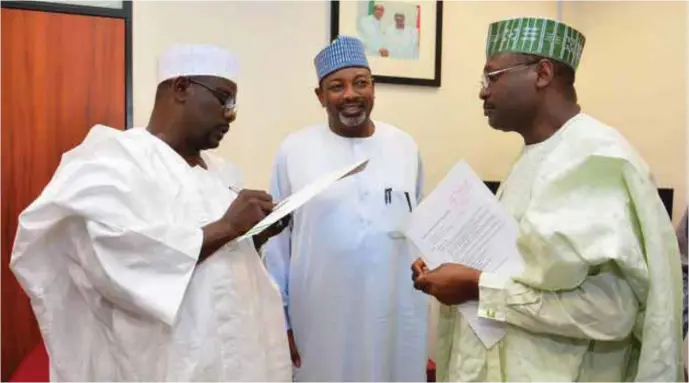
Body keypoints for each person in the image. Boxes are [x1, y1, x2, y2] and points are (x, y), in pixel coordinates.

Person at [411, 17, 684, 381]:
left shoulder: (592, 158)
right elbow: (527, 270)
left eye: (492, 77)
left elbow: (611, 312)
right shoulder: (537, 154)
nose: (483, 92)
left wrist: (476, 286)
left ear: (542, 73)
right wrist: (447, 266)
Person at [9, 44, 292, 381]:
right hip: (164, 364)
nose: (231, 115)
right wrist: (228, 227)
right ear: (182, 88)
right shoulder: (111, 158)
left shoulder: (223, 172)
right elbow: (113, 258)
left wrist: (253, 236)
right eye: (224, 99)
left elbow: (221, 266)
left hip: (238, 360)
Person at [263, 35, 429, 382]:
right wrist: (282, 320)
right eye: (336, 86)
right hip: (321, 315)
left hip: (394, 311)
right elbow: (277, 246)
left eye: (360, 83)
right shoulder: (294, 150)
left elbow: (419, 226)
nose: (350, 94)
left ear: (373, 88)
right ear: (320, 96)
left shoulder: (404, 146)